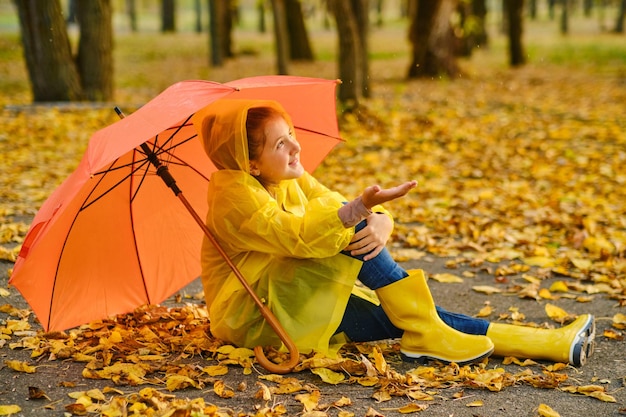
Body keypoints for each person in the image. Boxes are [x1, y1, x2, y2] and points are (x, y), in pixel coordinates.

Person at [192, 99, 595, 367]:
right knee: (353, 238)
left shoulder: (288, 177)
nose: (296, 148)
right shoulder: (234, 198)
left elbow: (334, 204)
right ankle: (441, 334)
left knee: (403, 319)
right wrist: (358, 213)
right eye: (281, 143)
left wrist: (380, 217)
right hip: (257, 315)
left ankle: (549, 344)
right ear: (252, 163)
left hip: (290, 293)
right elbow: (294, 234)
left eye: (292, 134)